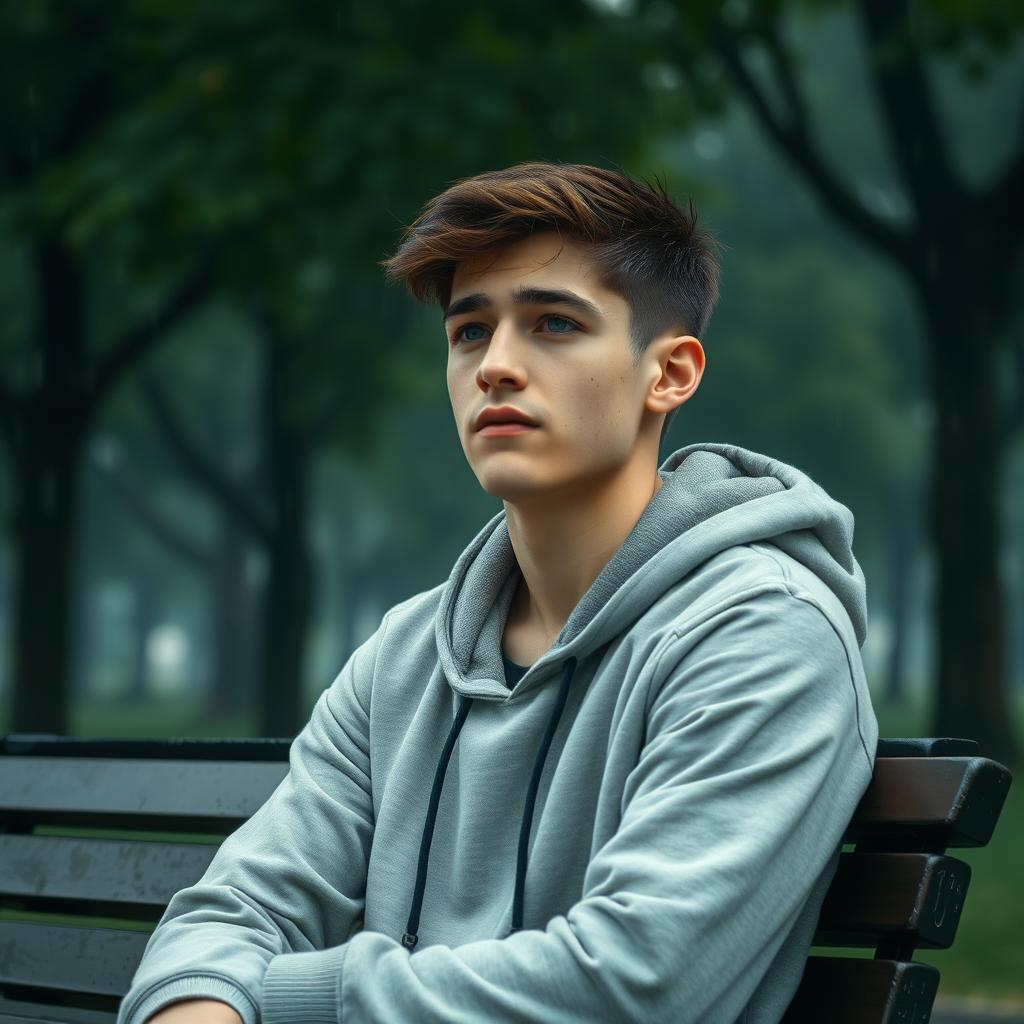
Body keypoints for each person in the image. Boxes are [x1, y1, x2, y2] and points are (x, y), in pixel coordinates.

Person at [118, 161, 878, 1024]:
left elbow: (633, 985)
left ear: (670, 374)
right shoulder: (403, 658)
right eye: (470, 332)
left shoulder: (763, 636)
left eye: (553, 324)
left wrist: (280, 999)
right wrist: (203, 1003)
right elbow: (232, 911)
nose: (497, 368)